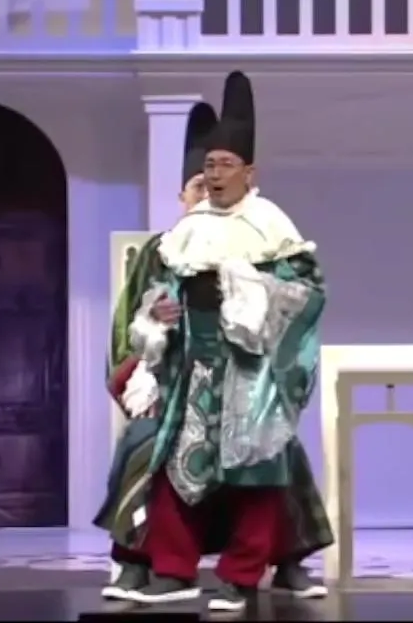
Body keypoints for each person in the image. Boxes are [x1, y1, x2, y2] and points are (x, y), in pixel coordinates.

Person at [95, 72, 332, 612]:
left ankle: (244, 575)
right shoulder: (183, 234)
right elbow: (155, 298)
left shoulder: (271, 226)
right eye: (208, 165)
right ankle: (170, 570)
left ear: (250, 173)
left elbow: (307, 293)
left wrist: (249, 288)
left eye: (225, 165)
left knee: (260, 469)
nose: (214, 175)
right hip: (190, 369)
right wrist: (156, 315)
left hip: (251, 369)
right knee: (173, 464)